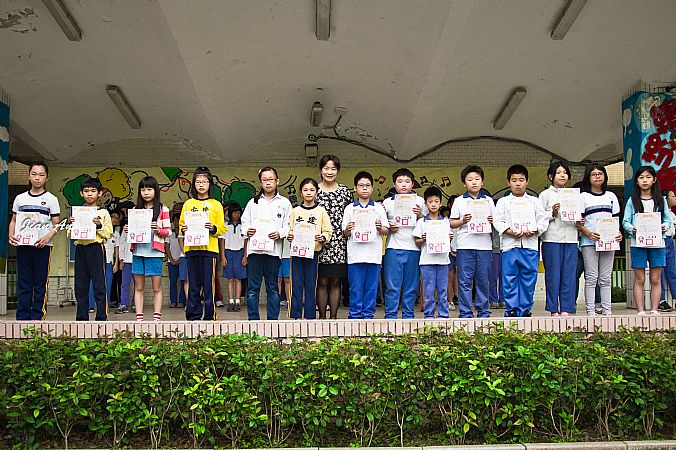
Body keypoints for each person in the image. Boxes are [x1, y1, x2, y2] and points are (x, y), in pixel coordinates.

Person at [8, 162, 61, 320]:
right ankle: (22, 316)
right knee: (24, 281)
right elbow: (14, 220)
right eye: (34, 174)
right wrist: (11, 235)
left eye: (41, 175)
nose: (37, 178)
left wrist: (47, 237)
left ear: (47, 178)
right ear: (29, 176)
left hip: (42, 246)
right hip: (23, 245)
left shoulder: (51, 199)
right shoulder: (20, 198)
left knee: (40, 282)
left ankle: (38, 316)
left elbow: (57, 224)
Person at [495, 165, 549, 317]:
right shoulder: (503, 202)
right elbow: (498, 221)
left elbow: (543, 220)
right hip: (509, 245)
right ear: (508, 182)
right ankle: (511, 308)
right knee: (509, 277)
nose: (518, 184)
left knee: (529, 277)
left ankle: (525, 308)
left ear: (527, 182)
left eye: (521, 180)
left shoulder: (534, 201)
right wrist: (509, 231)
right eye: (514, 180)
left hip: (530, 245)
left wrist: (535, 230)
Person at [241, 166, 292, 320]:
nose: (268, 182)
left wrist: (280, 233)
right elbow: (244, 222)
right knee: (252, 289)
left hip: (273, 252)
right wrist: (247, 230)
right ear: (260, 182)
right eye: (264, 180)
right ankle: (253, 320)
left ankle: (272, 321)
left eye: (271, 179)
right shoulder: (253, 203)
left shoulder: (284, 203)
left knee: (273, 288)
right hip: (254, 252)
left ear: (277, 181)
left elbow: (289, 225)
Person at [622, 166, 672, 315]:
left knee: (656, 279)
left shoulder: (661, 200)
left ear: (654, 180)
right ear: (636, 181)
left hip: (658, 243)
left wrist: (663, 226)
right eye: (641, 177)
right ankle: (640, 310)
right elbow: (625, 221)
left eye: (648, 177)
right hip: (638, 243)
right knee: (639, 278)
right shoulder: (632, 201)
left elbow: (667, 220)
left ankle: (655, 309)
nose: (645, 180)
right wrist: (632, 229)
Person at [179, 167, 227, 321]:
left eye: (204, 182)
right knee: (193, 284)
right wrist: (183, 229)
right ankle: (193, 315)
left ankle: (209, 315)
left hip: (209, 250)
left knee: (208, 284)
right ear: (194, 184)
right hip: (192, 249)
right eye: (198, 182)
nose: (201, 185)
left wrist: (213, 228)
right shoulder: (188, 204)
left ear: (210, 184)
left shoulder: (216, 204)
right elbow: (181, 225)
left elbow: (222, 228)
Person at [342, 171, 389, 319]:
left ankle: (368, 315)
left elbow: (386, 229)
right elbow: (344, 233)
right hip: (355, 255)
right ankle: (355, 315)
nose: (364, 188)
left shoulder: (378, 208)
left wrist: (380, 227)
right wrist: (348, 229)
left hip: (373, 255)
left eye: (367, 185)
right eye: (361, 185)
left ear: (372, 188)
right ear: (355, 188)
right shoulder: (350, 208)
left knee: (371, 288)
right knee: (355, 287)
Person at [577, 163, 622, 316]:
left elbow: (615, 220)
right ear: (588, 177)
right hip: (589, 243)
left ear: (605, 176)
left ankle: (607, 311)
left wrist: (618, 233)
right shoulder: (583, 197)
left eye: (600, 173)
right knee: (591, 277)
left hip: (609, 242)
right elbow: (578, 222)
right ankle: (591, 311)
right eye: (594, 174)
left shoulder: (611, 196)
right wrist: (588, 233)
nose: (597, 177)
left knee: (606, 278)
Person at [450, 166, 495, 318]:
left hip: (484, 246)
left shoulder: (488, 201)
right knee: (464, 281)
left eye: (477, 179)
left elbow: (497, 221)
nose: (474, 182)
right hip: (465, 246)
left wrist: (492, 220)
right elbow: (452, 223)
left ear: (482, 182)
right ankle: (465, 312)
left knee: (483, 280)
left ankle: (483, 311)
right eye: (469, 180)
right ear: (464, 183)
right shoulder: (459, 201)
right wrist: (462, 221)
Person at [382, 168, 425, 319]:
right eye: (400, 181)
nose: (404, 185)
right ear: (394, 184)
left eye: (407, 181)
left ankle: (408, 315)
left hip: (414, 248)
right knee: (392, 285)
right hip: (393, 247)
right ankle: (391, 315)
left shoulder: (420, 201)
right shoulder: (387, 203)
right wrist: (389, 227)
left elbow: (428, 223)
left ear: (413, 184)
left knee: (411, 285)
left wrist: (420, 214)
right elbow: (382, 225)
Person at [68, 178, 113, 321]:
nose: (89, 194)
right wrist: (71, 224)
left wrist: (99, 225)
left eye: (93, 191)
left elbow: (108, 233)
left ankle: (101, 316)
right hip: (80, 248)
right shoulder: (77, 212)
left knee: (99, 284)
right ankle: (81, 317)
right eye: (86, 191)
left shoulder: (103, 212)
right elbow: (70, 234)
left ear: (99, 193)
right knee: (80, 285)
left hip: (96, 248)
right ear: (81, 193)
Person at [287, 178, 332, 319]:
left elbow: (328, 231)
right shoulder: (295, 211)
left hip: (313, 253)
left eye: (312, 190)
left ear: (316, 192)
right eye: (305, 190)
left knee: (311, 285)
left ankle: (310, 316)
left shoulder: (321, 211)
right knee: (296, 284)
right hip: (297, 253)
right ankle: (295, 315)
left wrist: (323, 237)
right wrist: (290, 235)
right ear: (301, 192)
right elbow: (289, 229)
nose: (308, 192)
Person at [539, 161, 579, 316]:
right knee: (553, 275)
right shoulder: (545, 195)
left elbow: (578, 214)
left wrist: (579, 221)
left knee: (569, 274)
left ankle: (567, 308)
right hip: (551, 239)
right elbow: (539, 217)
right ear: (551, 176)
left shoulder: (574, 194)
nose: (562, 175)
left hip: (571, 238)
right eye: (558, 173)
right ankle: (553, 308)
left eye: (565, 172)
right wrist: (552, 213)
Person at [129, 176, 171, 322]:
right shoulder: (135, 210)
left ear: (156, 190)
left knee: (156, 287)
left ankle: (156, 318)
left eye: (149, 189)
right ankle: (139, 318)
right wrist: (128, 229)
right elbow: (132, 231)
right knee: (139, 287)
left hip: (155, 252)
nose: (146, 193)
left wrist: (159, 230)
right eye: (143, 189)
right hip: (138, 251)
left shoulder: (163, 209)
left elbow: (168, 231)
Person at [316, 155, 353, 319]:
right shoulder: (314, 190)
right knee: (322, 280)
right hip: (319, 242)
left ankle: (334, 318)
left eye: (333, 169)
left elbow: (351, 214)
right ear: (321, 170)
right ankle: (322, 317)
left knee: (336, 280)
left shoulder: (345, 191)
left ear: (338, 171)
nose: (329, 172)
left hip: (339, 242)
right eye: (326, 168)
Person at [413, 186, 452, 318]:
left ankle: (443, 314)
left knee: (442, 289)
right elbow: (416, 241)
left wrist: (449, 237)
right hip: (427, 261)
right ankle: (428, 315)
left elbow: (449, 238)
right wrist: (423, 239)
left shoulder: (445, 222)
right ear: (426, 204)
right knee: (428, 289)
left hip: (443, 260)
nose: (433, 204)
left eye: (436, 201)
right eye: (430, 202)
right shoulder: (421, 222)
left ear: (440, 203)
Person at [219, 202, 247, 312]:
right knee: (230, 279)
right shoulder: (225, 225)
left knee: (238, 279)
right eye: (235, 212)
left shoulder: (243, 226)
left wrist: (245, 256)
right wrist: (223, 256)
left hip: (240, 253)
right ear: (230, 213)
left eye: (239, 212)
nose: (237, 215)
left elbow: (246, 242)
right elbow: (222, 241)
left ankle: (237, 301)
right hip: (228, 252)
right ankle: (231, 301)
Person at [658, 189, 676, 312]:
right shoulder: (660, 213)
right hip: (661, 240)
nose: (675, 198)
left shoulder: (672, 214)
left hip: (670, 241)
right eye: (673, 196)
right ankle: (661, 300)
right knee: (660, 272)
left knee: (672, 271)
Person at [166, 213, 187, 309]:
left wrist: (180, 259)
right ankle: (173, 301)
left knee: (183, 281)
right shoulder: (170, 233)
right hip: (171, 261)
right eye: (174, 220)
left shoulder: (185, 233)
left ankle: (182, 301)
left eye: (178, 220)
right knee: (173, 282)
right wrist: (171, 259)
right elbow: (167, 247)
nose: (176, 222)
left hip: (182, 259)